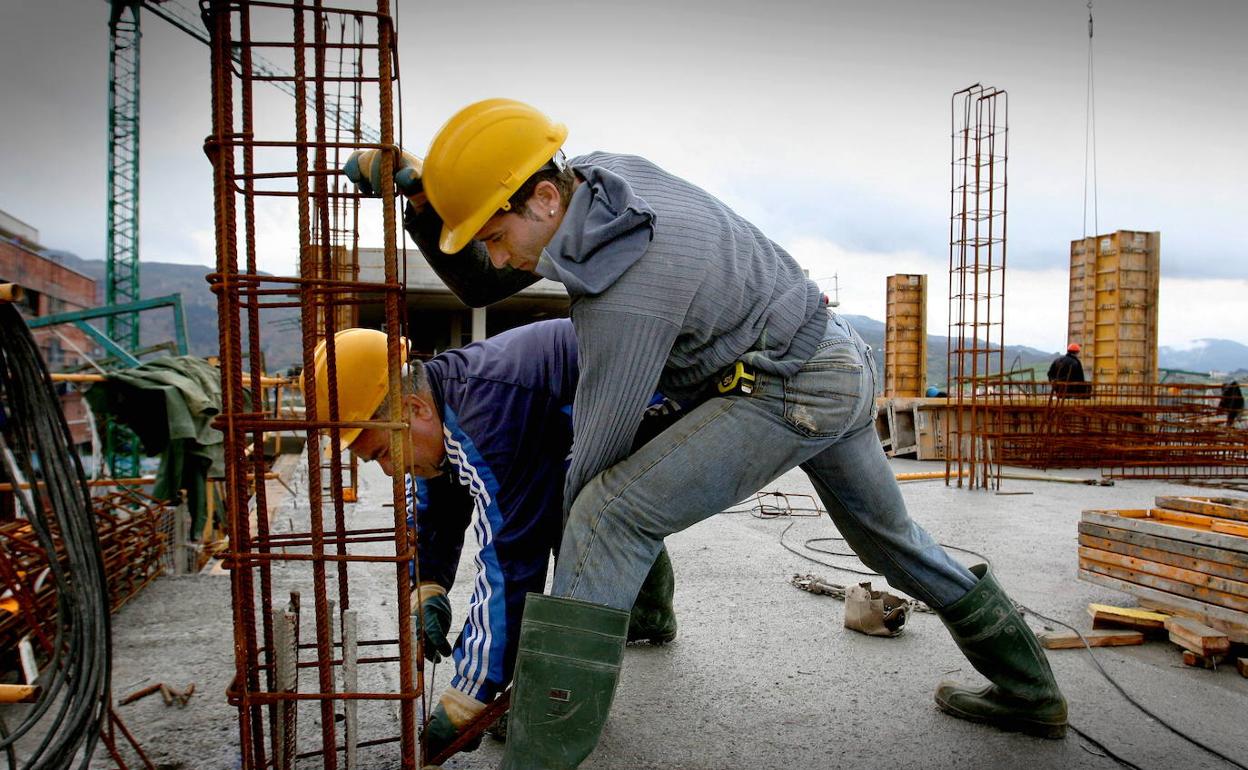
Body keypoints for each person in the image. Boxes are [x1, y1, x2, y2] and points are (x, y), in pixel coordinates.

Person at [347, 97, 1068, 769]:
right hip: (830, 358)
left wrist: (504, 659)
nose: (498, 257)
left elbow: (594, 461)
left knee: (603, 510)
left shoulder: (627, 296)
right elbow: (484, 282)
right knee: (892, 542)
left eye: (498, 237)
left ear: (541, 199)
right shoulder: (597, 182)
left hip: (789, 388)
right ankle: (1030, 692)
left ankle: (540, 747)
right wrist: (423, 193)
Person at [304, 322, 679, 759]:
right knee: (565, 500)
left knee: (585, 516)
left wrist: (469, 695)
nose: (389, 471)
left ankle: (568, 693)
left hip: (670, 399)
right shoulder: (442, 397)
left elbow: (512, 558)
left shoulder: (489, 416)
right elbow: (438, 492)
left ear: (412, 408)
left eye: (384, 453)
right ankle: (650, 614)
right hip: (602, 400)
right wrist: (426, 586)